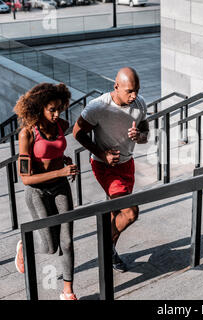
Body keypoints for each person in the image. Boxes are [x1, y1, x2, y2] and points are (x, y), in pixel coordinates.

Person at [73, 67, 149, 272]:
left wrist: (139, 136)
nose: (134, 96)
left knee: (115, 211)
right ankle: (107, 249)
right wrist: (102, 153)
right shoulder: (98, 107)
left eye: (137, 90)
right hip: (104, 165)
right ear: (116, 86)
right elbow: (77, 133)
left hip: (127, 163)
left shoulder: (139, 103)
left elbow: (145, 132)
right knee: (130, 212)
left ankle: (110, 250)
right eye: (129, 91)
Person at [13, 83, 79, 300]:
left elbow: (56, 151)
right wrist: (60, 171)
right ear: (39, 108)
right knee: (50, 248)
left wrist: (64, 161)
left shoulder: (62, 124)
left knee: (67, 242)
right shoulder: (27, 134)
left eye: (59, 108)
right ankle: (24, 245)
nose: (57, 113)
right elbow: (25, 178)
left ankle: (68, 291)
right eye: (52, 109)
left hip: (61, 187)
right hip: (37, 193)